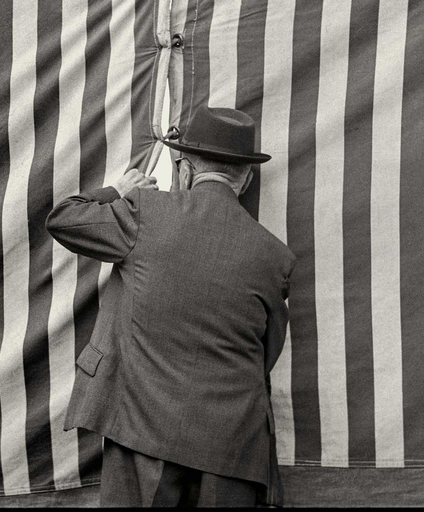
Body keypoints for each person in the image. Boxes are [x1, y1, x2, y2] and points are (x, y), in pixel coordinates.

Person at [46, 105, 295, 508]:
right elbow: (267, 352)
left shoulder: (146, 212)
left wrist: (118, 191)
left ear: (185, 171)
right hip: (232, 446)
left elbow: (63, 219)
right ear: (246, 179)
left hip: (143, 428)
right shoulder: (276, 257)